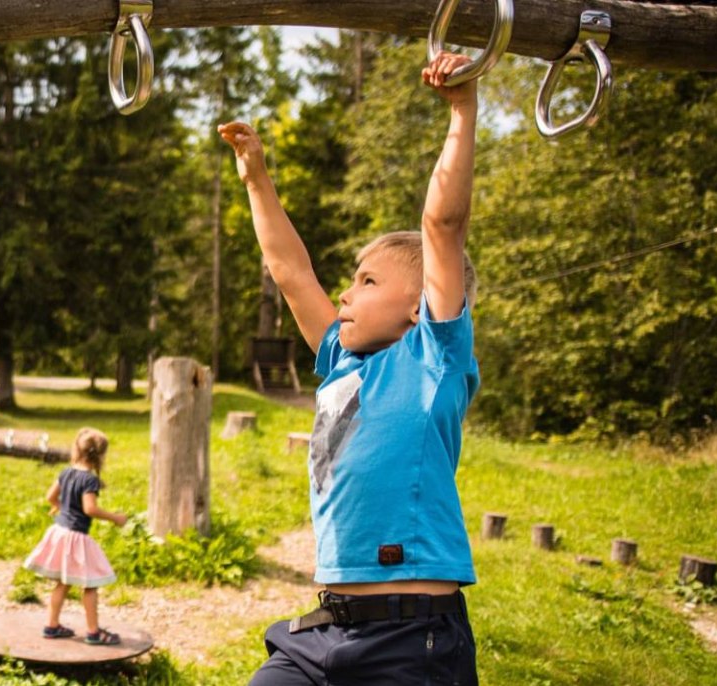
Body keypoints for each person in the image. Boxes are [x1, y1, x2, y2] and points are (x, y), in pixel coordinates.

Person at [219, 50, 484, 685]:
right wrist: (256, 178)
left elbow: (441, 224)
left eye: (366, 281)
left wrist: (462, 109)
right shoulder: (340, 363)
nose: (345, 293)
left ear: (419, 307)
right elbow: (289, 272)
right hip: (327, 631)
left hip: (413, 638)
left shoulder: (433, 359)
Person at [22, 427, 131, 646]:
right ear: (99, 456)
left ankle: (51, 626)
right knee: (90, 585)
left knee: (62, 583)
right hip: (75, 538)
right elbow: (89, 508)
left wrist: (59, 507)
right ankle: (93, 632)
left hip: (59, 531)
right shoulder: (89, 480)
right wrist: (115, 518)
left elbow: (50, 496)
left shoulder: (66, 472)